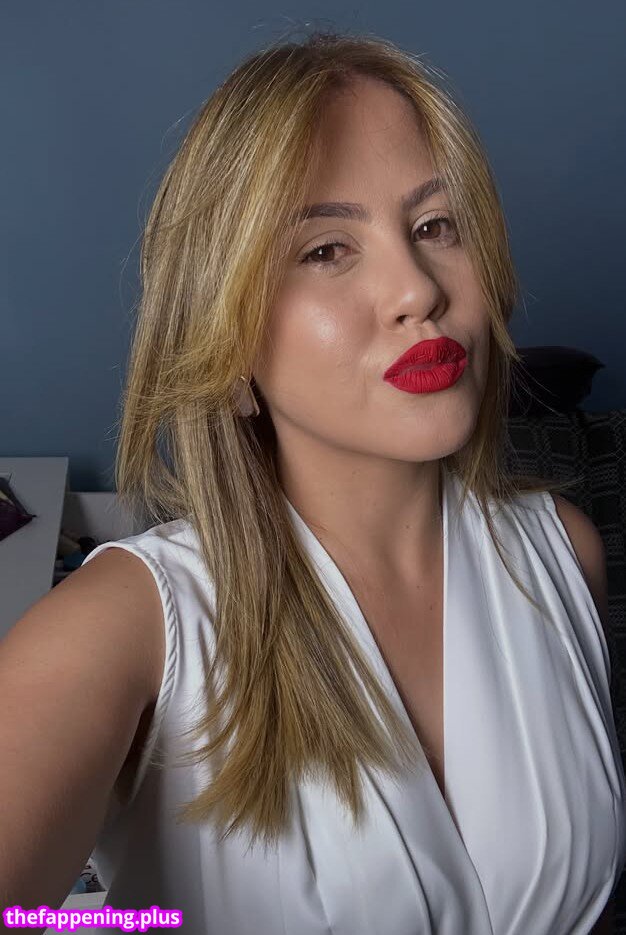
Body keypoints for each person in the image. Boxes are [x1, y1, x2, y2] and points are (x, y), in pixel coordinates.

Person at [1, 28, 623, 935]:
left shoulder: (563, 552)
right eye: (327, 248)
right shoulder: (128, 626)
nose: (418, 289)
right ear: (224, 334)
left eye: (435, 226)